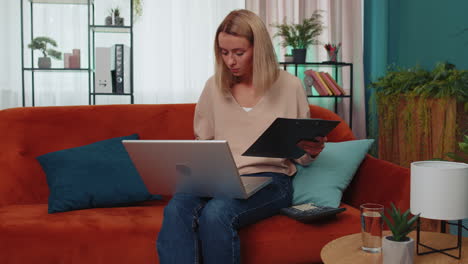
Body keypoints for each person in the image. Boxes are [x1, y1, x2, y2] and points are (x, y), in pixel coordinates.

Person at [156, 9, 327, 264]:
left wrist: (310, 151)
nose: (230, 61)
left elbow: (301, 155)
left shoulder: (290, 86)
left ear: (259, 50)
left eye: (238, 53)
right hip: (218, 178)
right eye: (224, 53)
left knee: (217, 213)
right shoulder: (213, 87)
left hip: (271, 180)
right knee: (176, 209)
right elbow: (203, 144)